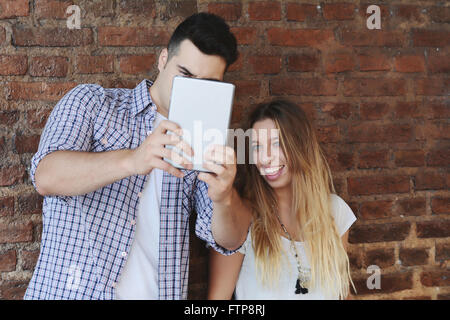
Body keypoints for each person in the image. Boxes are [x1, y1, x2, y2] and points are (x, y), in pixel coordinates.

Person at [24, 13, 252, 300]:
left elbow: (229, 242)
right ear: (163, 59)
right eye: (185, 74)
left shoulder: (208, 142)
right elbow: (46, 176)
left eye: (206, 83)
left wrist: (224, 197)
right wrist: (133, 160)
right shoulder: (93, 103)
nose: (192, 89)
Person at [208, 99, 357, 300]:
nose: (265, 157)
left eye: (276, 143)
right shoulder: (242, 217)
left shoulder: (334, 211)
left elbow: (342, 294)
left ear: (300, 146)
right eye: (257, 146)